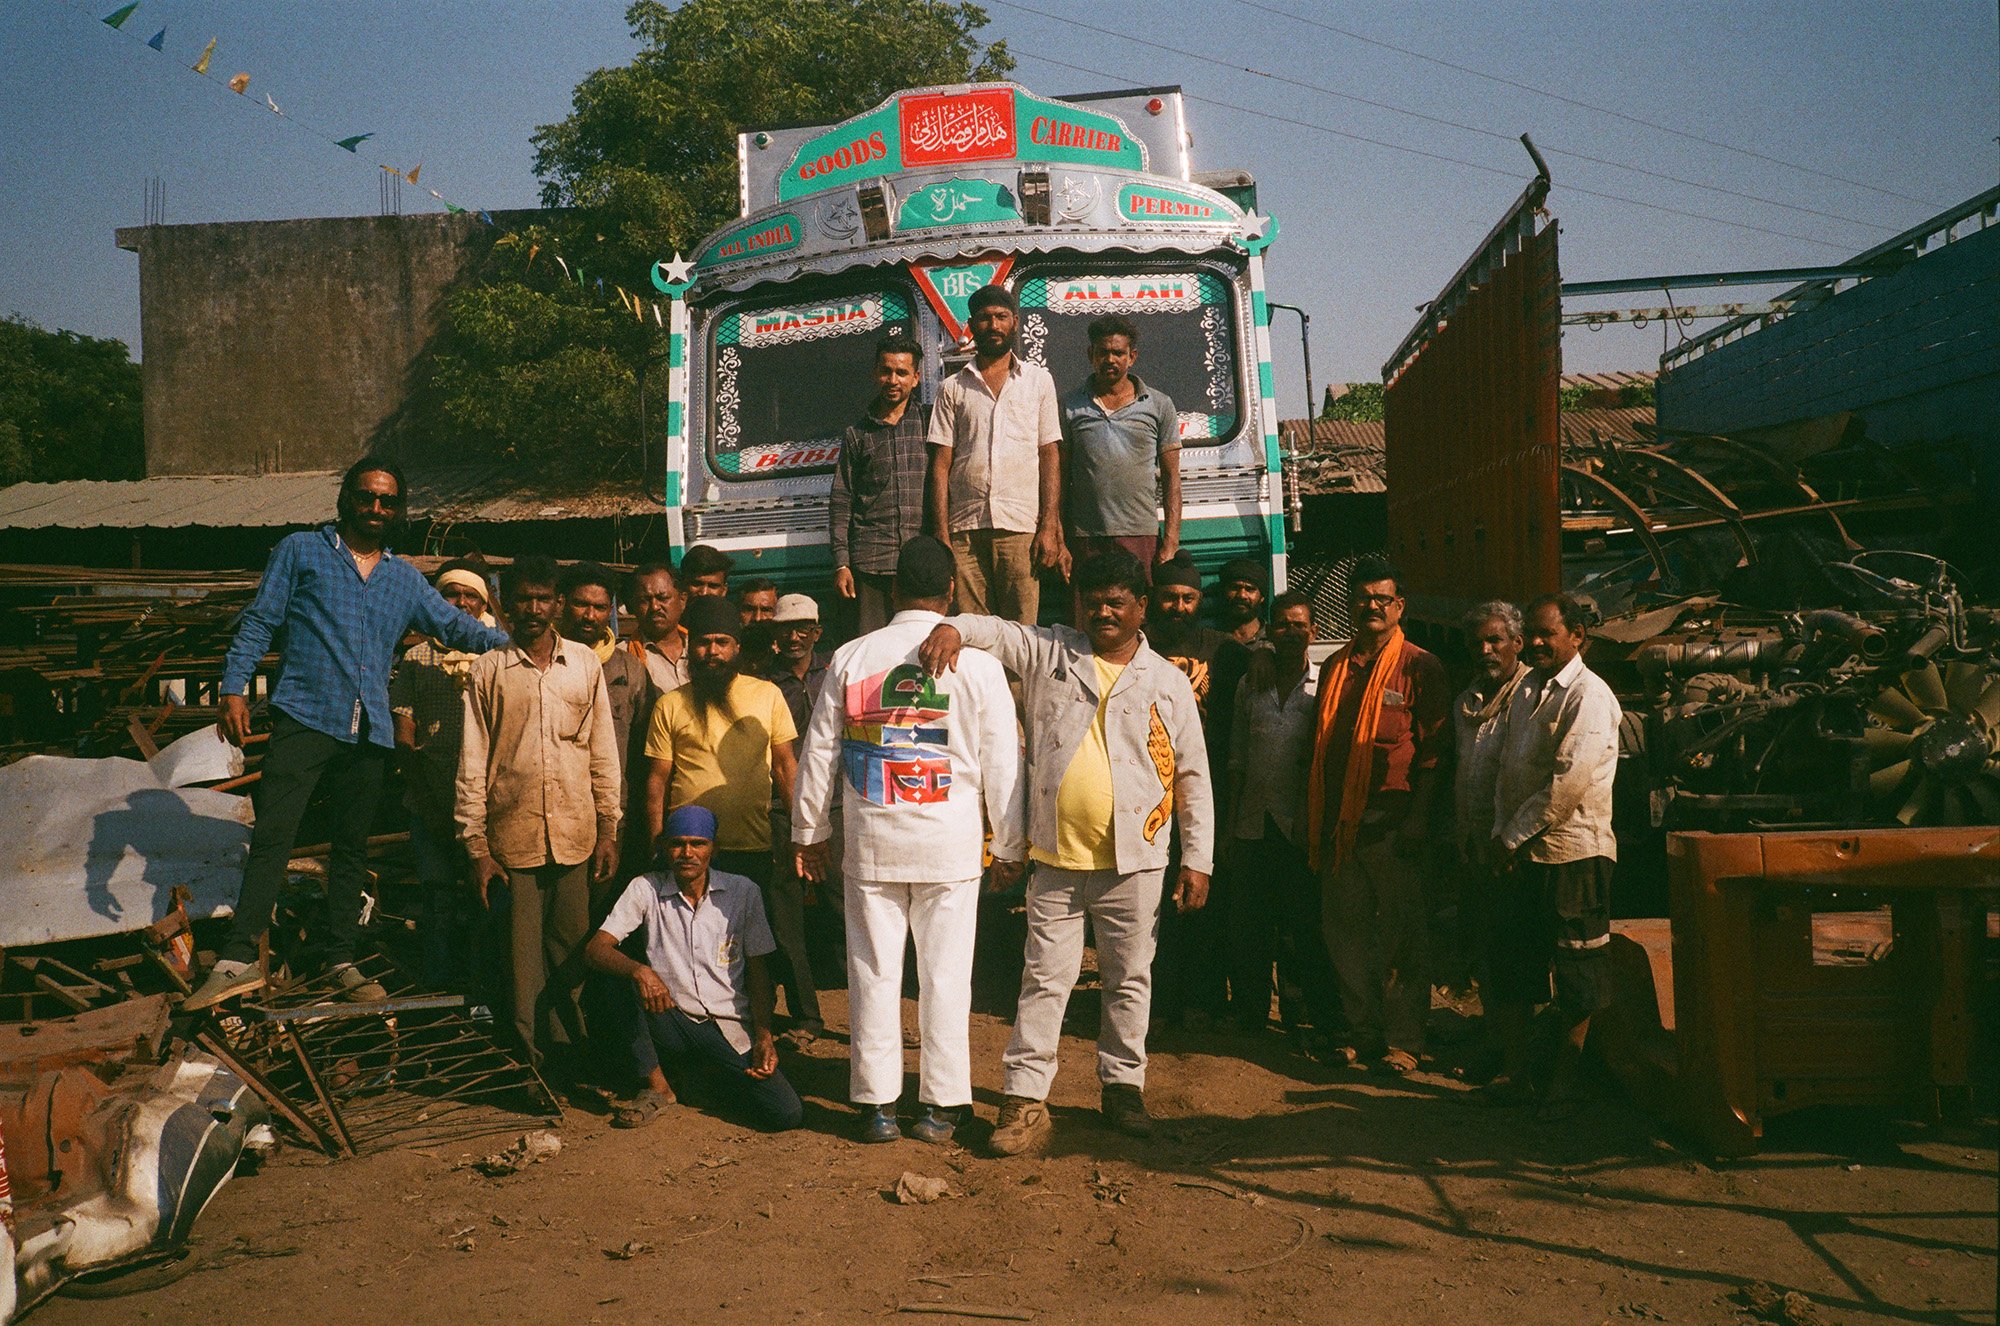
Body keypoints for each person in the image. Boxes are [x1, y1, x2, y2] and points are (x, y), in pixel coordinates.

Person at [918, 548, 1213, 1152]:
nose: (1103, 611)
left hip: (1138, 863)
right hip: (1055, 860)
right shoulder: (1051, 651)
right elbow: (994, 630)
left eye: (1117, 602)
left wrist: (1197, 860)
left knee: (1129, 980)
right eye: (1093, 600)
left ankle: (1123, 1089)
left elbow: (1192, 776)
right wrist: (950, 627)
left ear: (1142, 609)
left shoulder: (1168, 681)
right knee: (1044, 981)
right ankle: (1025, 1102)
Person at [190, 458, 509, 1010]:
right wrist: (233, 687)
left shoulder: (404, 578)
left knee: (350, 849)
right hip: (305, 716)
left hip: (369, 731)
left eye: (388, 501)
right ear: (347, 499)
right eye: (367, 497)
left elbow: (457, 627)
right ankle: (237, 958)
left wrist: (524, 643)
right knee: (275, 837)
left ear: (397, 508)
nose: (377, 509)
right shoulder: (301, 551)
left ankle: (340, 958)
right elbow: (261, 619)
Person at [795, 536, 1024, 1145]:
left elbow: (819, 753)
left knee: (871, 971)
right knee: (947, 975)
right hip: (949, 848)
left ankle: (877, 1107)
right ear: (951, 591)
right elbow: (1004, 762)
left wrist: (808, 833)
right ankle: (942, 1108)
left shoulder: (850, 657)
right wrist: (1010, 845)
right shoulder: (977, 663)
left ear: (893, 588)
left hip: (872, 844)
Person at [455, 556, 623, 1076]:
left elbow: (602, 753)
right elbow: (473, 760)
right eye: (522, 599)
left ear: (557, 604)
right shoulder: (489, 669)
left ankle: (572, 1061)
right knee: (522, 968)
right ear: (506, 605)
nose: (533, 609)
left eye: (543, 599)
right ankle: (532, 1071)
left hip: (576, 835)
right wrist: (476, 847)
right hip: (514, 842)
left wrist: (609, 827)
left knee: (571, 958)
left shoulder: (585, 665)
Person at [1303, 557, 1448, 1076]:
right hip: (1341, 828)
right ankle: (1361, 1034)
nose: (1372, 606)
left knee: (1403, 940)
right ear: (1349, 603)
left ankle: (1403, 1040)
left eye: (1382, 598)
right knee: (1346, 938)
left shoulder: (1419, 667)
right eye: (1363, 597)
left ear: (1399, 606)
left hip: (1394, 828)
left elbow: (1434, 753)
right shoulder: (1335, 668)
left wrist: (1417, 822)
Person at [1485, 593, 1622, 1119]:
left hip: (1574, 855)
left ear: (1578, 637)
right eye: (1533, 634)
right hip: (1523, 854)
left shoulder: (1590, 696)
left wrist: (1510, 838)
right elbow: (1508, 774)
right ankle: (1519, 1077)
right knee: (1516, 968)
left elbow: (1567, 787)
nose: (1538, 643)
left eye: (1549, 634)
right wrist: (1505, 835)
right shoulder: (1527, 692)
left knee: (1577, 973)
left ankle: (1564, 1084)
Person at [585, 805, 804, 1132]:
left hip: (729, 1023)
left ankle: (699, 1080)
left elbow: (760, 971)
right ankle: (658, 1086)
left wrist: (764, 1035)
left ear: (712, 848)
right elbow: (596, 948)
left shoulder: (743, 892)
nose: (687, 853)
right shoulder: (647, 887)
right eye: (678, 843)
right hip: (671, 1017)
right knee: (617, 979)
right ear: (664, 848)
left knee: (785, 1113)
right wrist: (641, 972)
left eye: (698, 844)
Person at [1224, 591, 1338, 1044]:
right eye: (1283, 625)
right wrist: (1230, 827)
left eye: (1300, 625)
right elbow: (1236, 757)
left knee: (1300, 926)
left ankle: (1299, 1010)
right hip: (1253, 822)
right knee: (1250, 927)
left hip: (1301, 824)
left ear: (1313, 631)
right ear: (1269, 631)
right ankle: (1250, 1014)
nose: (1292, 632)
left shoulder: (1325, 685)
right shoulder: (1251, 684)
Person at [926, 284, 1064, 624]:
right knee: (972, 631)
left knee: (1021, 633)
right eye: (985, 318)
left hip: (1019, 526)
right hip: (964, 530)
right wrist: (942, 535)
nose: (993, 325)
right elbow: (941, 465)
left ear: (1015, 322)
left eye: (1001, 317)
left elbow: (1049, 455)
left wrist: (1048, 525)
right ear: (972, 325)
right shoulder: (953, 387)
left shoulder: (1038, 381)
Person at [390, 559, 496, 988]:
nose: (462, 603)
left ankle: (484, 990)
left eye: (472, 596)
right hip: (431, 798)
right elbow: (403, 731)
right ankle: (439, 988)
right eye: (453, 595)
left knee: (486, 896)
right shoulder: (418, 656)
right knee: (437, 897)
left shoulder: (499, 654)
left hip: (491, 802)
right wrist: (425, 795)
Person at [642, 596, 798, 886]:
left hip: (753, 846)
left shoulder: (768, 694)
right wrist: (658, 841)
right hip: (688, 849)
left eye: (722, 642)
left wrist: (801, 833)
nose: (712, 651)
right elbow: (657, 779)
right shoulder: (670, 704)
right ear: (690, 647)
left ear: (737, 647)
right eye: (703, 642)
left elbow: (785, 767)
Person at [1144, 553, 1236, 1029]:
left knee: (1203, 900)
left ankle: (1203, 1000)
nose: (1179, 606)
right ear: (1154, 599)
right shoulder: (1137, 647)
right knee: (1153, 902)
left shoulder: (1220, 648)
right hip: (1149, 796)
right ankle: (1158, 1005)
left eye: (1188, 598)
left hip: (1204, 793)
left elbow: (1263, 658)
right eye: (1170, 597)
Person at [1449, 600, 1529, 1015]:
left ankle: (1519, 1056)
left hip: (1516, 850)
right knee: (1486, 951)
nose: (1485, 650)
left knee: (1518, 956)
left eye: (1495, 640)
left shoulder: (1534, 696)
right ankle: (1495, 1037)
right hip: (1476, 847)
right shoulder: (1467, 702)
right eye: (1477, 642)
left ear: (1517, 642)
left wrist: (1512, 839)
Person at [1059, 314, 1181, 572]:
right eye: (1103, 353)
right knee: (1090, 610)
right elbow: (1059, 476)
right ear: (1091, 354)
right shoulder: (1070, 405)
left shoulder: (1158, 404)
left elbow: (1172, 478)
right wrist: (1060, 538)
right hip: (1086, 536)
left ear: (1132, 357)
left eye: (1118, 353)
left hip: (1140, 534)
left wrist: (1170, 541)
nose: (1110, 360)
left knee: (1138, 609)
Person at [759, 592, 827, 1037]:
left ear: (817, 632)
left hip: (835, 808)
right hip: (781, 811)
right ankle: (807, 1015)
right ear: (775, 635)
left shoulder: (835, 672)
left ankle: (882, 1019)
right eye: (786, 628)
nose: (795, 635)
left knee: (856, 912)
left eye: (804, 627)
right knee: (786, 919)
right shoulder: (763, 683)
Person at [831, 334, 931, 633]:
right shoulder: (857, 434)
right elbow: (841, 500)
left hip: (921, 564)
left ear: (915, 378)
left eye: (901, 372)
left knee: (920, 651)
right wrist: (841, 563)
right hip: (871, 562)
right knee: (872, 652)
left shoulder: (932, 421)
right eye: (886, 371)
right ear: (876, 374)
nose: (892, 380)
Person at [559, 562, 657, 812]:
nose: (590, 616)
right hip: (557, 809)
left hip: (615, 810)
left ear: (610, 610)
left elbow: (644, 749)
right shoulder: (543, 664)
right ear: (562, 604)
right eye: (581, 604)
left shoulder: (629, 669)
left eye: (599, 607)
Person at [625, 561, 690, 695]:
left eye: (662, 598)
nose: (654, 607)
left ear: (682, 600)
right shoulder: (623, 658)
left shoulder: (703, 647)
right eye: (645, 600)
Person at [1212, 557, 1269, 645]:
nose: (1242, 595)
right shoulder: (1209, 640)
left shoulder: (1274, 638)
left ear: (1262, 597)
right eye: (1235, 588)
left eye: (1250, 589)